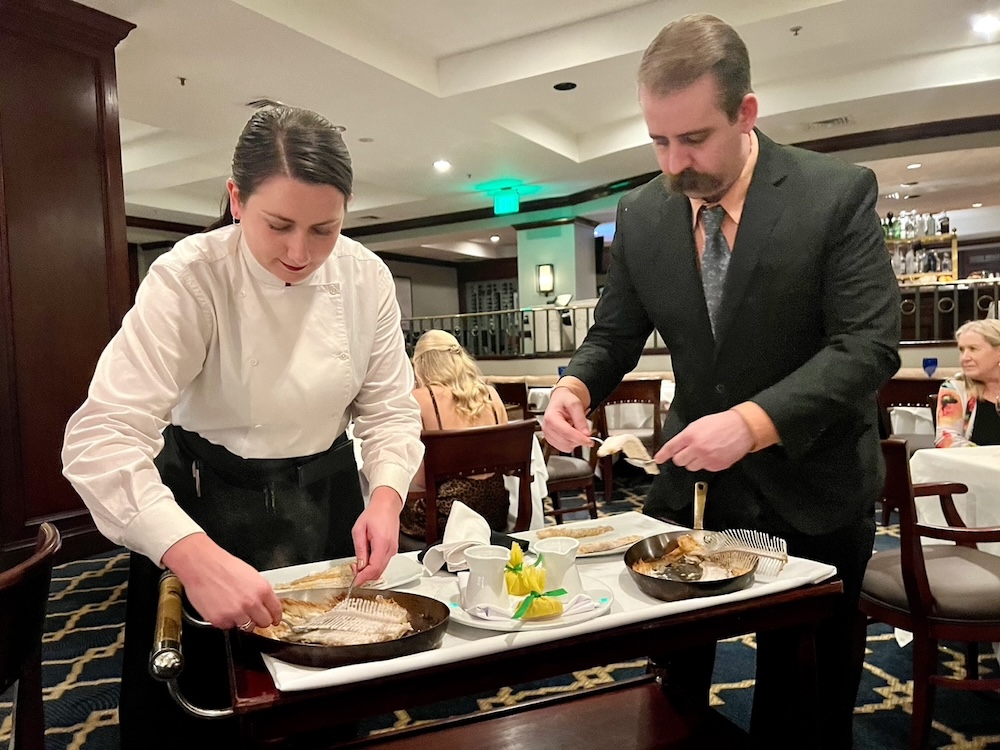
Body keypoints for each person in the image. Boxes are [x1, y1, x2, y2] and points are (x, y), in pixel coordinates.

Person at [542, 14, 900, 749]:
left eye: (694, 138)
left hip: (814, 485)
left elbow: (867, 346)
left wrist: (755, 422)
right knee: (670, 699)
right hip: (691, 499)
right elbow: (615, 332)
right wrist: (575, 387)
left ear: (746, 113)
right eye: (658, 140)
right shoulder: (641, 213)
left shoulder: (834, 194)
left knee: (805, 705)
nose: (674, 163)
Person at [61, 106, 423, 747]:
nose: (299, 252)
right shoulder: (190, 277)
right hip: (205, 503)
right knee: (205, 713)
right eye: (278, 225)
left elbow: (389, 408)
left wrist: (388, 492)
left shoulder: (367, 276)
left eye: (324, 229)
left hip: (330, 497)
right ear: (235, 198)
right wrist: (187, 553)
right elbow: (101, 436)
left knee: (324, 707)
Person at [402, 329, 513, 535]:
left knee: (389, 509)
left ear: (420, 365)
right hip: (495, 511)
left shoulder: (420, 399)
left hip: (446, 515)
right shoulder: (490, 394)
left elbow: (420, 481)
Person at [935, 319, 1000, 447]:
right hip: (974, 465)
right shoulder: (955, 388)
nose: (965, 358)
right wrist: (985, 458)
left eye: (973, 349)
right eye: (962, 350)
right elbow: (946, 438)